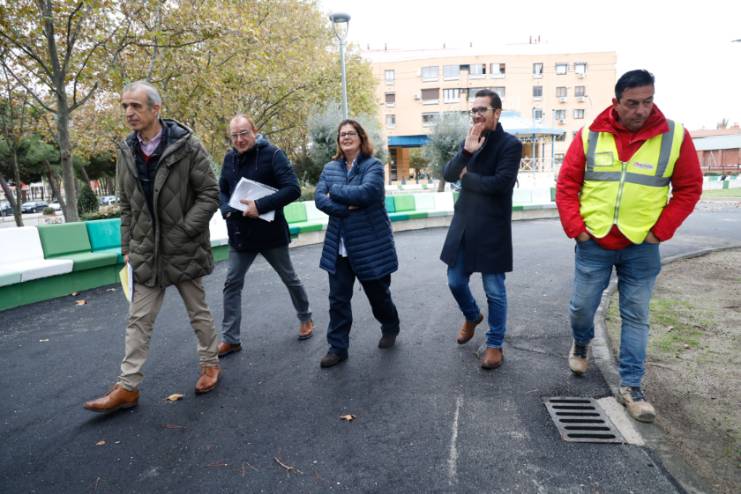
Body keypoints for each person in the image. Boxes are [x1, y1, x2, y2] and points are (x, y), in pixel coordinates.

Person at [556, 69, 703, 422]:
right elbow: (567, 185)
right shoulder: (590, 135)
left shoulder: (674, 136)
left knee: (636, 315)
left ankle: (632, 387)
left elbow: (689, 188)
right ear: (616, 103)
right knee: (581, 308)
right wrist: (578, 230)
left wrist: (659, 233)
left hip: (642, 246)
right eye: (632, 103)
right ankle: (581, 341)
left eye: (647, 101)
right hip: (594, 242)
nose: (641, 110)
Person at [84, 80, 221, 413]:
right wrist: (127, 247)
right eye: (125, 106)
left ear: (155, 109)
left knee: (197, 312)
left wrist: (186, 229)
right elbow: (126, 205)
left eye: (136, 106)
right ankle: (128, 387)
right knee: (138, 319)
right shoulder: (126, 151)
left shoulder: (187, 146)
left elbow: (210, 193)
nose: (129, 112)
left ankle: (210, 364)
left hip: (183, 246)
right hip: (145, 250)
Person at [216, 114, 314, 357]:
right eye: (234, 135)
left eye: (243, 133)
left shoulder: (273, 154)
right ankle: (231, 339)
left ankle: (306, 318)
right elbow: (222, 189)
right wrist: (225, 207)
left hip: (270, 233)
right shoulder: (229, 158)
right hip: (240, 234)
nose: (239, 139)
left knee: (289, 278)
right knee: (232, 284)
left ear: (254, 131)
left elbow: (293, 189)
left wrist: (259, 206)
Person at [440, 89, 522, 370]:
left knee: (494, 290)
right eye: (473, 110)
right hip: (464, 224)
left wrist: (467, 179)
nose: (476, 115)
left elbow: (501, 184)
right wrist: (466, 152)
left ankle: (495, 344)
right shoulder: (469, 141)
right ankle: (472, 315)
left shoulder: (511, 145)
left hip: (492, 227)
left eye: (482, 110)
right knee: (455, 281)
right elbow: (448, 174)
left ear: (496, 113)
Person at [314, 119, 400, 368]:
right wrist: (344, 208)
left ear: (361, 138)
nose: (346, 137)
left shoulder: (373, 166)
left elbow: (367, 193)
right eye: (342, 134)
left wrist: (335, 192)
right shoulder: (330, 167)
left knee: (378, 296)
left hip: (369, 245)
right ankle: (337, 347)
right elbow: (319, 198)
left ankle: (390, 325)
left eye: (351, 133)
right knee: (338, 300)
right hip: (338, 247)